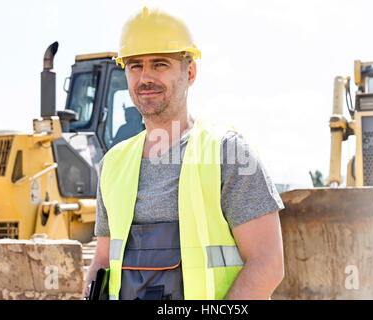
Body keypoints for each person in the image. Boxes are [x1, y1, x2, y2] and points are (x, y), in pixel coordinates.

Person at [83, 7, 285, 300]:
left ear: (190, 72)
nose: (145, 78)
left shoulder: (228, 154)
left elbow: (267, 263)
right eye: (135, 65)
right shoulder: (114, 164)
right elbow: (103, 261)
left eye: (160, 64)